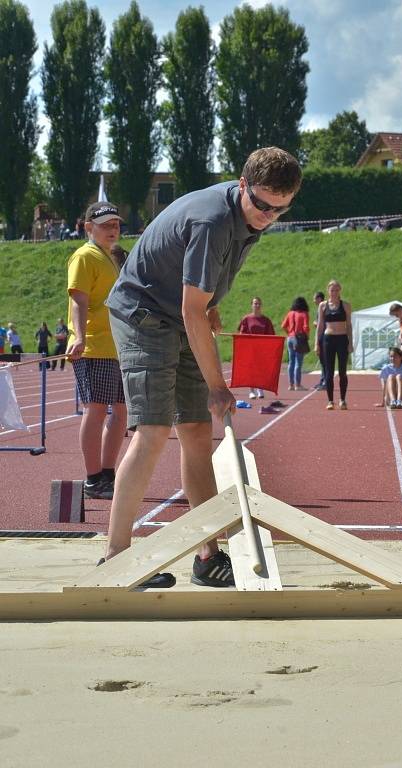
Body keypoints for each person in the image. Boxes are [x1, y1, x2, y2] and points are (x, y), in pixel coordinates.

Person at [104, 146, 302, 589]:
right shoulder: (214, 221)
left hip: (180, 315)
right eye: (264, 205)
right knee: (153, 430)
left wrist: (209, 307)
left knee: (195, 431)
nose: (269, 216)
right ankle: (117, 558)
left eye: (281, 209)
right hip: (144, 314)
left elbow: (198, 302)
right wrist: (218, 385)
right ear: (243, 185)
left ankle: (206, 554)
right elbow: (191, 310)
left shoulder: (248, 215)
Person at [66, 202, 127, 502]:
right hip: (93, 346)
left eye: (116, 224)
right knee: (97, 408)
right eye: (106, 225)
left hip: (117, 347)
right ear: (89, 227)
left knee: (122, 412)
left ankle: (107, 473)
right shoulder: (84, 256)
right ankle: (92, 479)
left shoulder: (111, 258)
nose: (113, 229)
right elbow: (79, 299)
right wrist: (79, 336)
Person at [315, 280, 352, 410]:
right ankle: (330, 401)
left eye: (336, 290)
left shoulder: (346, 305)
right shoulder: (323, 306)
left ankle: (342, 399)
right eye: (332, 290)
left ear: (340, 291)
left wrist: (350, 343)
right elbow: (320, 326)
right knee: (328, 372)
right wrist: (317, 344)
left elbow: (349, 325)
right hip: (328, 339)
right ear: (328, 291)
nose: (334, 292)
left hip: (342, 339)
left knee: (342, 371)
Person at [238, 296, 275, 399]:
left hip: (262, 349)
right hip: (250, 349)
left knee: (261, 369)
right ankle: (252, 391)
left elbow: (271, 335)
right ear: (251, 305)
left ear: (261, 305)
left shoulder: (266, 320)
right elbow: (242, 333)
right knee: (251, 369)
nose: (257, 305)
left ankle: (260, 389)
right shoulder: (246, 319)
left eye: (259, 303)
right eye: (255, 303)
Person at [281, 296, 310, 392]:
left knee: (291, 362)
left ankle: (291, 384)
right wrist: (307, 336)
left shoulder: (290, 313)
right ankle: (298, 384)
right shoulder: (304, 314)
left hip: (290, 337)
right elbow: (305, 327)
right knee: (298, 362)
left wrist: (289, 333)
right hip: (299, 339)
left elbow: (283, 326)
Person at [312, 291, 326, 390]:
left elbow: (324, 324)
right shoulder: (319, 308)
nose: (313, 300)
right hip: (320, 337)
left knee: (325, 361)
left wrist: (317, 324)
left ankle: (325, 381)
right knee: (322, 361)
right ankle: (322, 380)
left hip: (324, 337)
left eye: (315, 298)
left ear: (320, 298)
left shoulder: (323, 308)